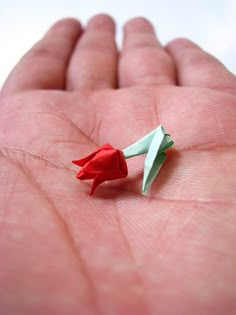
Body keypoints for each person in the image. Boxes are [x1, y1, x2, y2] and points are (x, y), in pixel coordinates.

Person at [0, 13, 235, 315]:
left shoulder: (106, 167)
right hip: (118, 158)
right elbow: (93, 168)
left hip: (119, 159)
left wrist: (97, 176)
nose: (84, 174)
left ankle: (149, 153)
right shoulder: (102, 167)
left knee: (132, 155)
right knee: (128, 156)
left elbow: (94, 169)